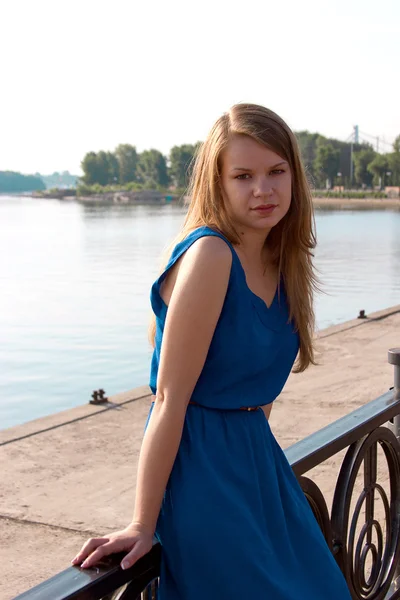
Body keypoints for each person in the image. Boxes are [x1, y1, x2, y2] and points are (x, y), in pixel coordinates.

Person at [72, 103, 351, 599]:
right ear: (217, 183)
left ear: (295, 176)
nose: (262, 190)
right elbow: (168, 400)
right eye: (243, 176)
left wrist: (258, 475)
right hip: (200, 471)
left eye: (275, 172)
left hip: (259, 467)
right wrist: (143, 521)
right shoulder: (211, 254)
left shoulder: (283, 261)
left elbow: (257, 397)